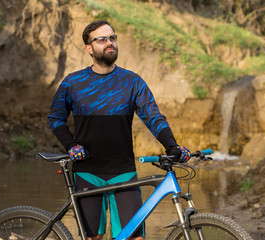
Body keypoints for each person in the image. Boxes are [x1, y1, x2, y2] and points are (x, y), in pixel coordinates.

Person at [48, 20, 190, 240]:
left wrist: (172, 145)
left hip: (124, 173)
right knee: (93, 238)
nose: (109, 42)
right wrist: (71, 145)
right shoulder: (72, 83)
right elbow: (56, 119)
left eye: (112, 38)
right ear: (89, 48)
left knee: (134, 238)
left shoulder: (132, 82)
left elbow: (153, 118)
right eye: (102, 39)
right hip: (87, 172)